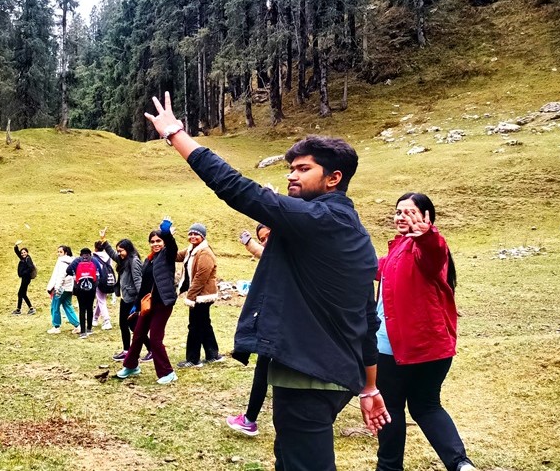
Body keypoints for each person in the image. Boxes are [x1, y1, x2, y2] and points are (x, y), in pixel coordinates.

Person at [143, 92, 389, 467]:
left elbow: (239, 190)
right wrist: (370, 387)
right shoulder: (350, 231)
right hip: (333, 375)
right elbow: (367, 317)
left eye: (303, 169)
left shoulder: (321, 221)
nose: (291, 175)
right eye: (291, 168)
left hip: (309, 375)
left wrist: (175, 133)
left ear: (333, 178)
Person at [375, 193, 477, 471]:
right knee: (426, 407)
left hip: (399, 350)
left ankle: (388, 467)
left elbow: (433, 254)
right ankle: (460, 465)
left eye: (409, 212)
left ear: (426, 216)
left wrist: (427, 235)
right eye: (398, 212)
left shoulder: (427, 249)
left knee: (392, 409)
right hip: (432, 349)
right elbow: (374, 267)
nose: (401, 217)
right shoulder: (397, 248)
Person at [116, 218, 179, 385]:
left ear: (164, 242)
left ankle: (168, 372)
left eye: (159, 241)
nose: (155, 244)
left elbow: (172, 246)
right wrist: (136, 305)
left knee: (156, 338)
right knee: (138, 334)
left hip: (163, 303)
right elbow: (144, 284)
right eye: (152, 241)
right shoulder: (149, 259)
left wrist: (166, 232)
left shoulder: (167, 255)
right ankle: (131, 366)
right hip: (148, 303)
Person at [228, 223, 274, 437]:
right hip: (273, 329)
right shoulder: (276, 256)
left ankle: (250, 419)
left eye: (268, 236)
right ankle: (250, 419)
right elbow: (264, 252)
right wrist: (250, 244)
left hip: (286, 329)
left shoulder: (289, 254)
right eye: (262, 238)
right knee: (263, 372)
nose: (266, 241)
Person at [175, 222, 222, 369]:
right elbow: (176, 256)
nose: (193, 236)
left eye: (196, 234)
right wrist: (167, 238)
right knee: (204, 324)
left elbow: (201, 277)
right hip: (199, 294)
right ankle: (213, 355)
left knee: (195, 326)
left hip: (202, 295)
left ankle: (193, 360)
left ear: (202, 236)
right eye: (190, 234)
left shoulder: (205, 253)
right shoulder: (191, 250)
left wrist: (191, 296)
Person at [101, 237, 144, 361]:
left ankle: (150, 348)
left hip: (132, 299)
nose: (119, 253)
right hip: (125, 298)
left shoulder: (134, 261)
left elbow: (138, 280)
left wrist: (139, 300)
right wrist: (104, 242)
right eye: (118, 251)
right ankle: (126, 350)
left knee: (135, 327)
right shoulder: (123, 260)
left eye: (121, 251)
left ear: (128, 249)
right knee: (123, 325)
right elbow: (113, 255)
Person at [67, 248, 102, 338]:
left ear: (80, 254)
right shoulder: (94, 260)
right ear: (90, 254)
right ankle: (89, 329)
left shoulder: (77, 260)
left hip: (80, 288)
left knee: (82, 308)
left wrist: (75, 274)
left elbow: (68, 270)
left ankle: (83, 332)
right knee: (90, 307)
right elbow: (100, 272)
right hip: (92, 288)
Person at [46, 246, 79, 333]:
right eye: (58, 252)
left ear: (65, 252)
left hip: (61, 288)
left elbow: (60, 276)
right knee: (67, 306)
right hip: (69, 288)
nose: (58, 254)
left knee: (55, 306)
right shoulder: (73, 262)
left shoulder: (62, 262)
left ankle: (56, 326)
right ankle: (77, 325)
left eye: (60, 252)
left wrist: (56, 288)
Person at [92, 240, 113, 330]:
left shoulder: (93, 257)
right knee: (101, 300)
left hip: (98, 280)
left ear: (96, 248)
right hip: (108, 280)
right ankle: (95, 318)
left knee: (101, 301)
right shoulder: (109, 257)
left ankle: (107, 321)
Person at [12, 241, 36, 315]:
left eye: (24, 252)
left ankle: (25, 309)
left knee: (21, 293)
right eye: (22, 253)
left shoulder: (28, 259)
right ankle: (22, 309)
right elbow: (17, 252)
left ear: (27, 252)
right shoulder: (23, 258)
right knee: (22, 294)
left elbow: (31, 267)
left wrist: (24, 273)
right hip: (24, 278)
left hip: (26, 278)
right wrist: (16, 246)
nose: (23, 254)